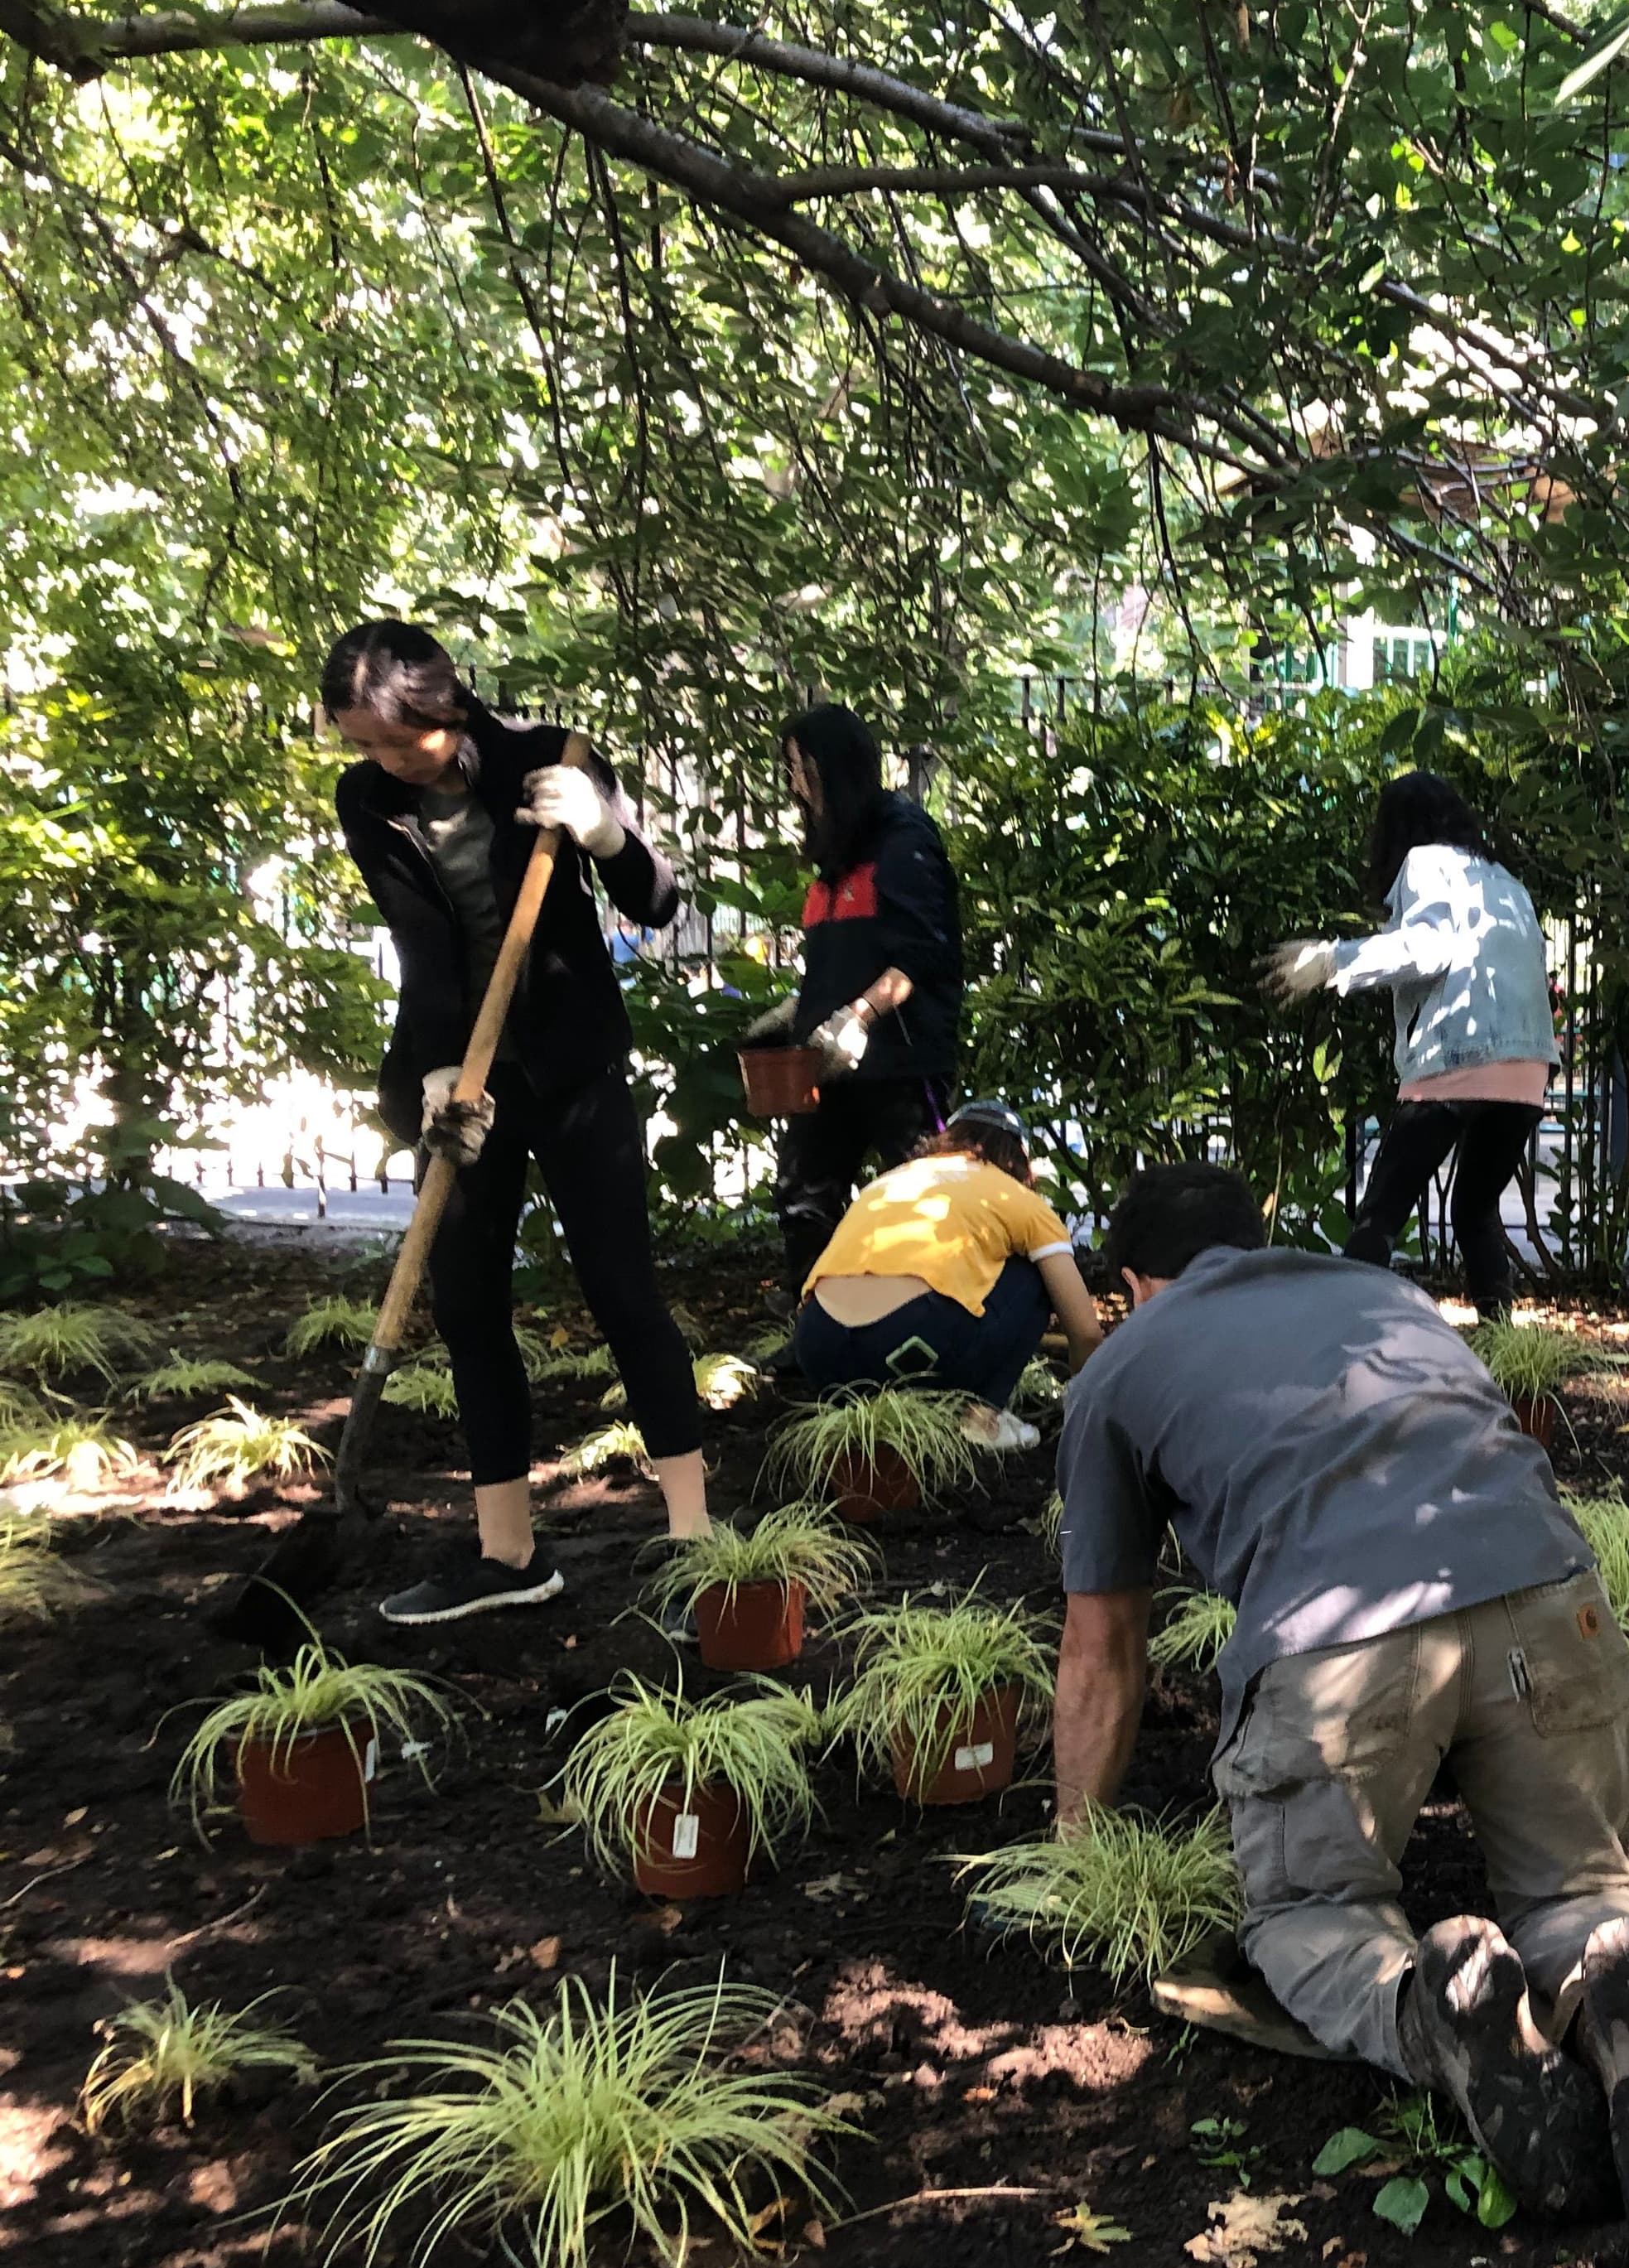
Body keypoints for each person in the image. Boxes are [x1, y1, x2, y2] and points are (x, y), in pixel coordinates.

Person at [1044, 1163, 1629, 2242]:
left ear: (1138, 1281)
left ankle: (1439, 2015)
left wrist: (1076, 1842)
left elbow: (1101, 1650)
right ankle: (1612, 1971)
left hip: (1343, 1644)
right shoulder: (1387, 1297)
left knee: (1312, 1918)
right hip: (1555, 1600)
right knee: (1576, 1888)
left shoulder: (1121, 1364)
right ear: (1262, 1237)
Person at [324, 620, 711, 1624]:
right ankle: (509, 1554)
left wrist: (605, 830)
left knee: (623, 1289)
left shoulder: (550, 758)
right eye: (364, 745)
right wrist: (437, 1077)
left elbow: (658, 899)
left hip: (574, 1068)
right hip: (460, 1079)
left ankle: (694, 1539)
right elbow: (423, 947)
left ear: (445, 710)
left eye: (397, 742)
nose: (383, 763)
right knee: (465, 1304)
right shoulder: (367, 802)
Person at [1262, 772, 1555, 1321]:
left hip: (1456, 1060)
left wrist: (1331, 961)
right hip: (1527, 1070)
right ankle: (1506, 1352)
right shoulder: (1507, 882)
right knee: (1475, 1212)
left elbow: (1428, 948)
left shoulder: (1425, 863)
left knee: (1382, 1214)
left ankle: (1342, 1343)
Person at [746, 703, 964, 1282]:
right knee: (803, 1199)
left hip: (902, 1062)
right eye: (789, 769)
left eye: (801, 768)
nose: (793, 785)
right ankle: (812, 1328)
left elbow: (920, 954)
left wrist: (859, 1016)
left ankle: (935, 1328)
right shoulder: (832, 858)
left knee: (923, 1203)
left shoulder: (904, 839)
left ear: (834, 770)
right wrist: (802, 1009)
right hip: (828, 1066)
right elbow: (845, 955)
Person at [793, 1103, 1104, 1451]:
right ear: (1018, 1157)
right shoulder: (1012, 1195)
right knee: (1035, 1276)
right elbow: (1087, 1333)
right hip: (908, 1342)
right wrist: (1089, 1402)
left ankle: (881, 1417)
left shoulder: (890, 1181)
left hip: (820, 1347)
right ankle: (981, 1420)